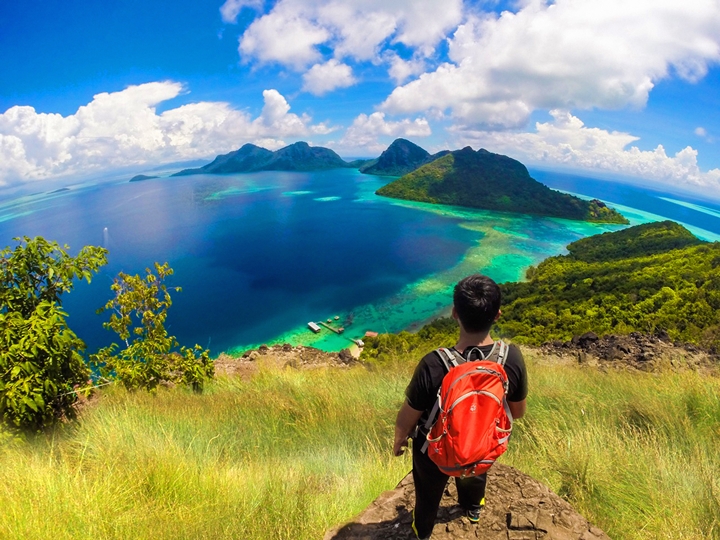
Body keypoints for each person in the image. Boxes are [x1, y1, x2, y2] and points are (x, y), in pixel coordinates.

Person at [393, 274, 528, 540]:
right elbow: (519, 411)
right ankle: (473, 507)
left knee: (428, 491)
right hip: (481, 444)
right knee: (474, 473)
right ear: (497, 315)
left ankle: (423, 530)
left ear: (455, 313)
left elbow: (408, 417)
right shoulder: (510, 358)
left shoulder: (433, 363)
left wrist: (399, 439)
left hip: (434, 451)